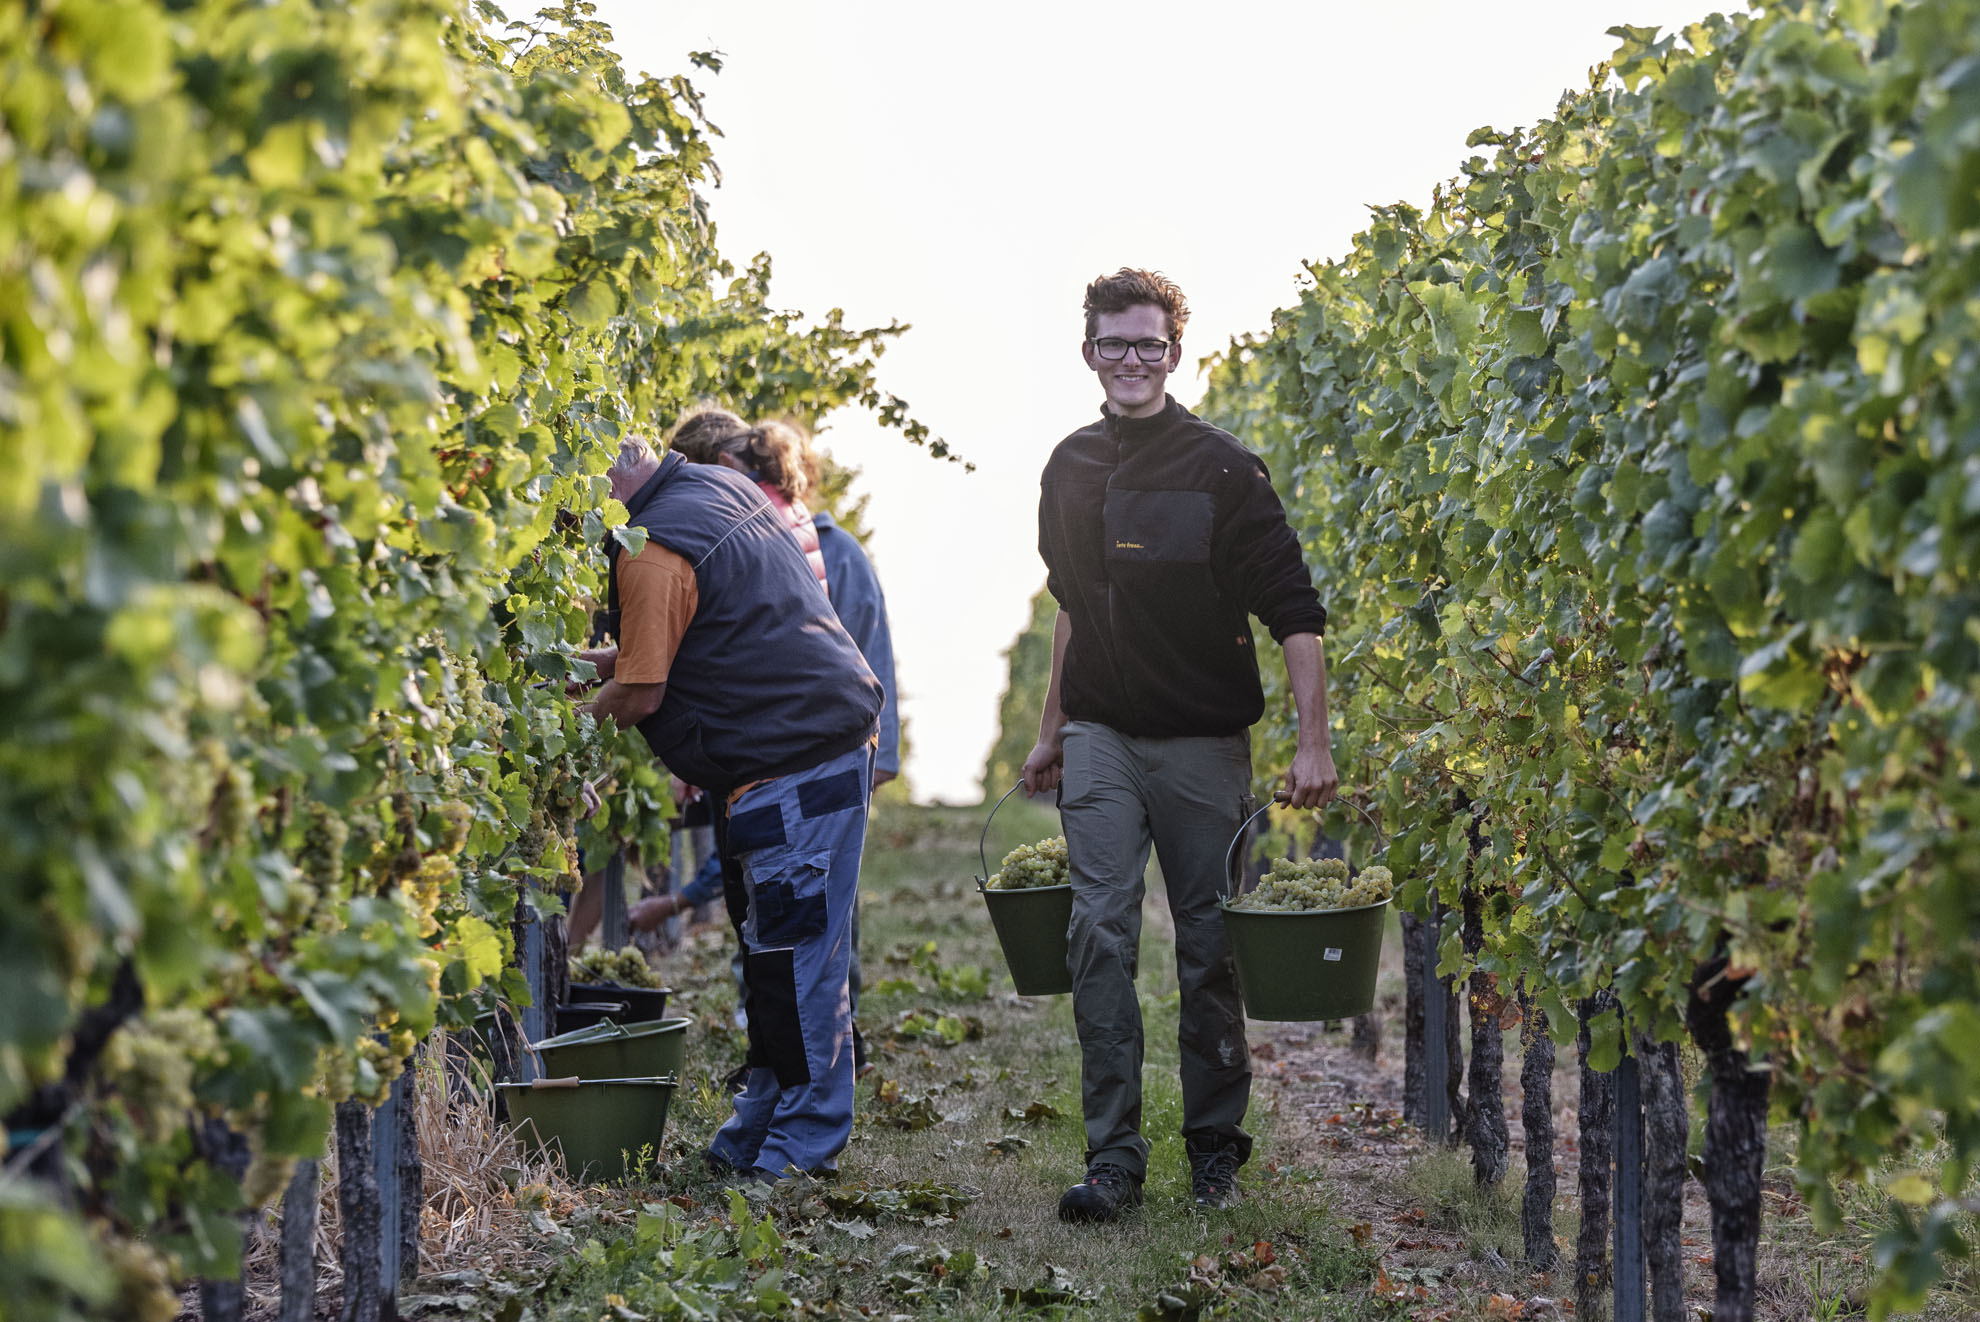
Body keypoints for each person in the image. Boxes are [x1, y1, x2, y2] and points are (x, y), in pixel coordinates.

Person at [1021, 268, 1338, 1222]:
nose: (1130, 361)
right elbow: (1077, 607)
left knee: (1209, 951)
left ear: (1173, 352)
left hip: (1204, 743)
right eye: (1113, 344)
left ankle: (1214, 1152)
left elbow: (1295, 610)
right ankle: (1113, 1159)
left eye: (1147, 345)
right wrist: (1052, 732)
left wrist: (1313, 742)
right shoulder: (1067, 468)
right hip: (1105, 736)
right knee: (1098, 934)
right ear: (1089, 352)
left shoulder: (1225, 469)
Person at [578, 432, 882, 1184]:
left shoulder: (652, 551)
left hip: (793, 762)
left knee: (796, 957)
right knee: (773, 958)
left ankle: (802, 1147)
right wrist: (581, 666)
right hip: (806, 744)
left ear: (601, 479)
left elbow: (644, 690)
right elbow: (693, 633)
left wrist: (565, 725)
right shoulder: (713, 488)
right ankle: (763, 1122)